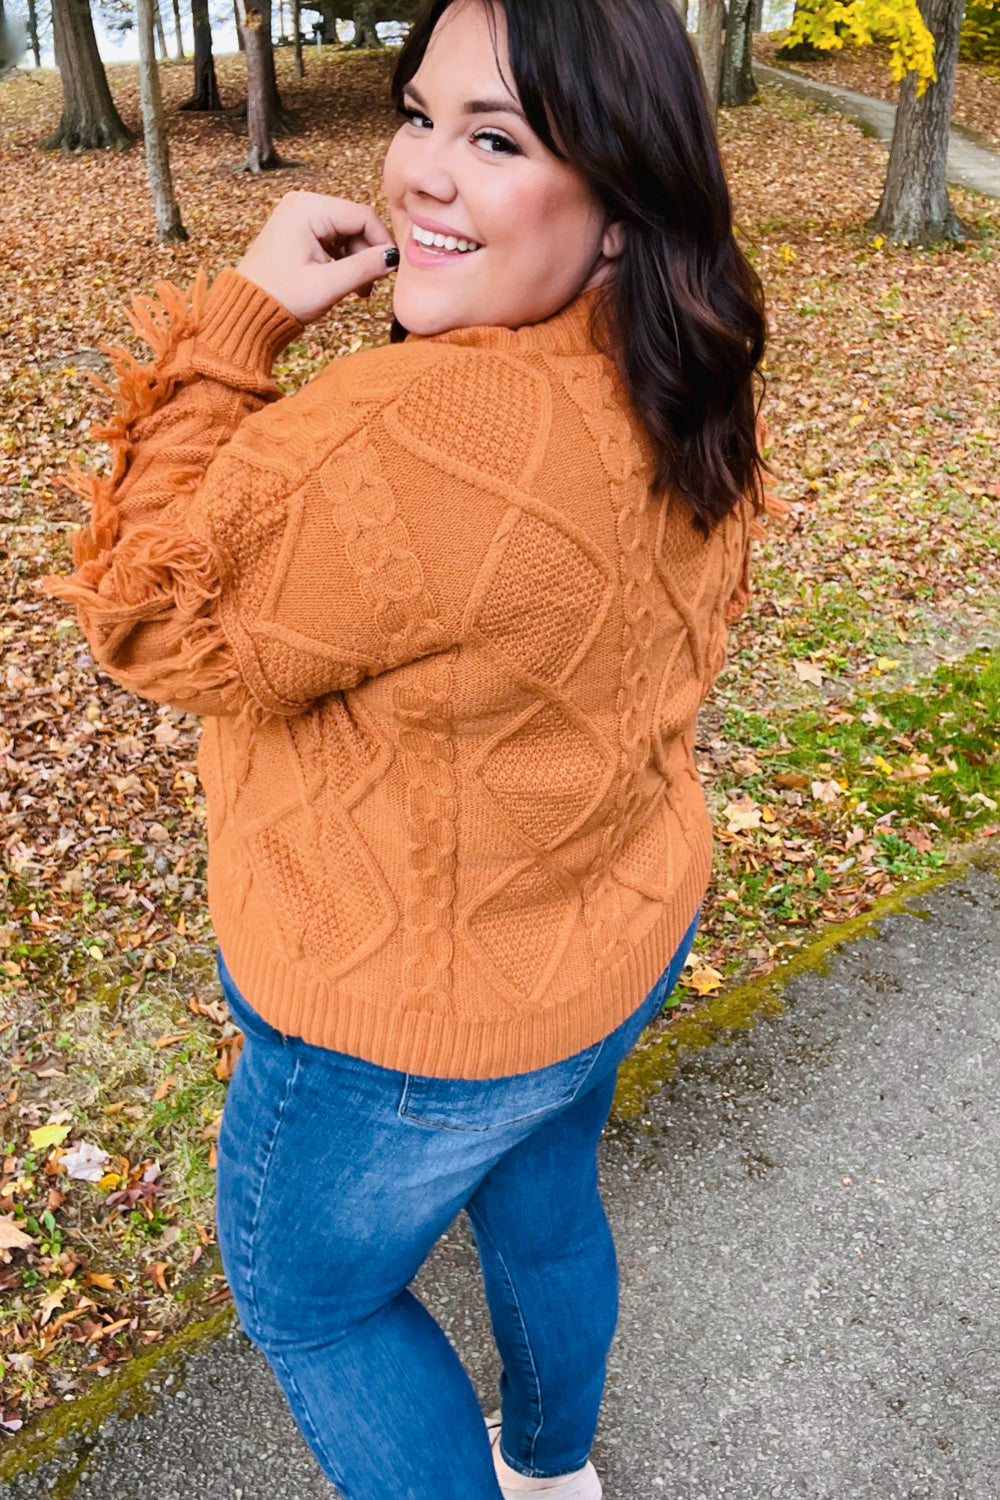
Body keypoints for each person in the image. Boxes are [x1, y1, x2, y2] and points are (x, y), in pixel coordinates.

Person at [43, 0, 778, 1493]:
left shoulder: (413, 432)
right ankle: (556, 1471)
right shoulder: (683, 360)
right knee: (547, 1212)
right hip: (614, 933)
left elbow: (144, 617)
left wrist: (243, 321)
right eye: (420, 115)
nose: (420, 170)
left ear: (624, 204)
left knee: (316, 1307)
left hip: (399, 1022)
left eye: (496, 139)